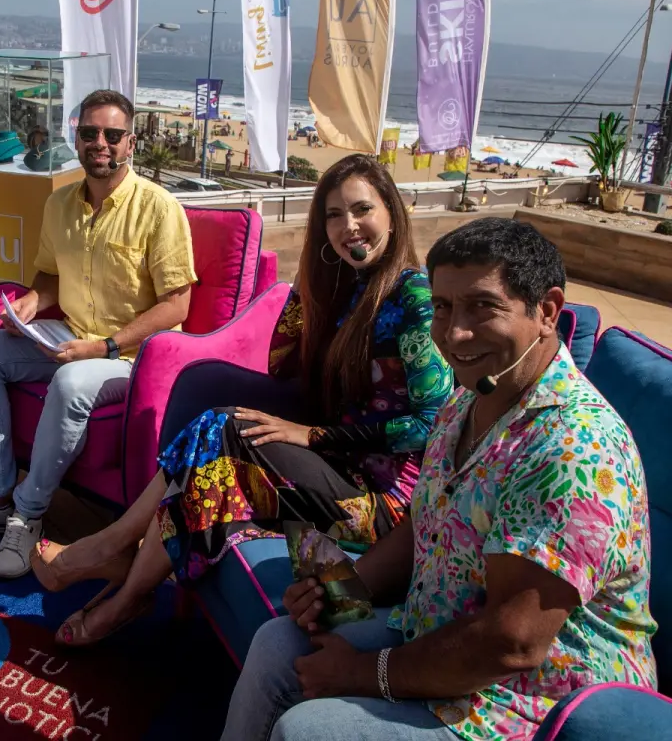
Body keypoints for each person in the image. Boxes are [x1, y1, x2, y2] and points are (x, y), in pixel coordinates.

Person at [222, 217, 655, 741]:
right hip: (437, 632)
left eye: (482, 307)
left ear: (546, 311)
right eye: (444, 307)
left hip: (536, 702)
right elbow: (427, 520)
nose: (454, 334)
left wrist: (364, 674)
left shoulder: (574, 447)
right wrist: (339, 591)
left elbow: (512, 643)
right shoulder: (467, 402)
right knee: (278, 643)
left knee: (308, 729)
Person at [32, 154, 454, 645]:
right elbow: (281, 363)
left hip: (387, 505)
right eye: (333, 216)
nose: (349, 227)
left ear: (392, 213)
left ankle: (113, 547)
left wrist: (312, 435)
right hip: (340, 472)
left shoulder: (414, 299)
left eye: (362, 210)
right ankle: (130, 596)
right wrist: (310, 292)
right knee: (212, 476)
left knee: (223, 426)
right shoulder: (350, 289)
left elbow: (431, 424)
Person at [0, 89, 198, 578]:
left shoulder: (158, 208)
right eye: (90, 133)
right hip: (70, 337)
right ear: (77, 137)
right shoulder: (60, 204)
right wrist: (30, 302)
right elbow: (48, 276)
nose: (100, 143)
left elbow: (178, 304)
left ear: (131, 143)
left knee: (70, 384)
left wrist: (105, 346)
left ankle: (27, 514)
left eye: (113, 135)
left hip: (131, 357)